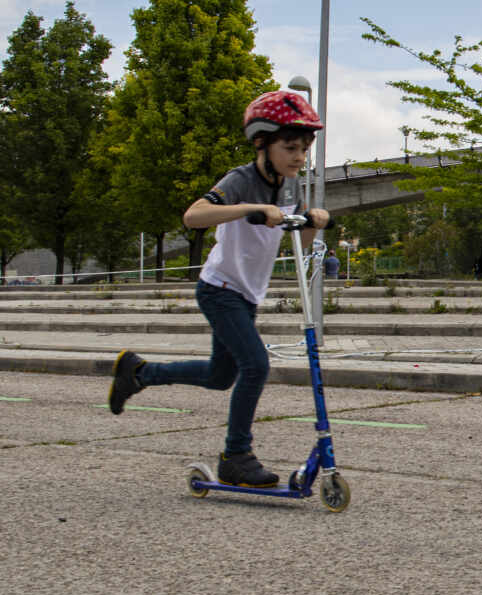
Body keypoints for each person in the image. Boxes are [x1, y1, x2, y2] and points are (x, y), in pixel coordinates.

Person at [107, 90, 330, 488]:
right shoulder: (241, 180)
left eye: (304, 149)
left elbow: (300, 238)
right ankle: (236, 456)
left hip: (245, 295)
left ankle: (138, 373)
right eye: (290, 147)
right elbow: (194, 216)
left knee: (218, 375)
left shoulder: (289, 186)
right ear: (263, 143)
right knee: (256, 365)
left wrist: (314, 222)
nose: (299, 157)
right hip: (219, 289)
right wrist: (249, 209)